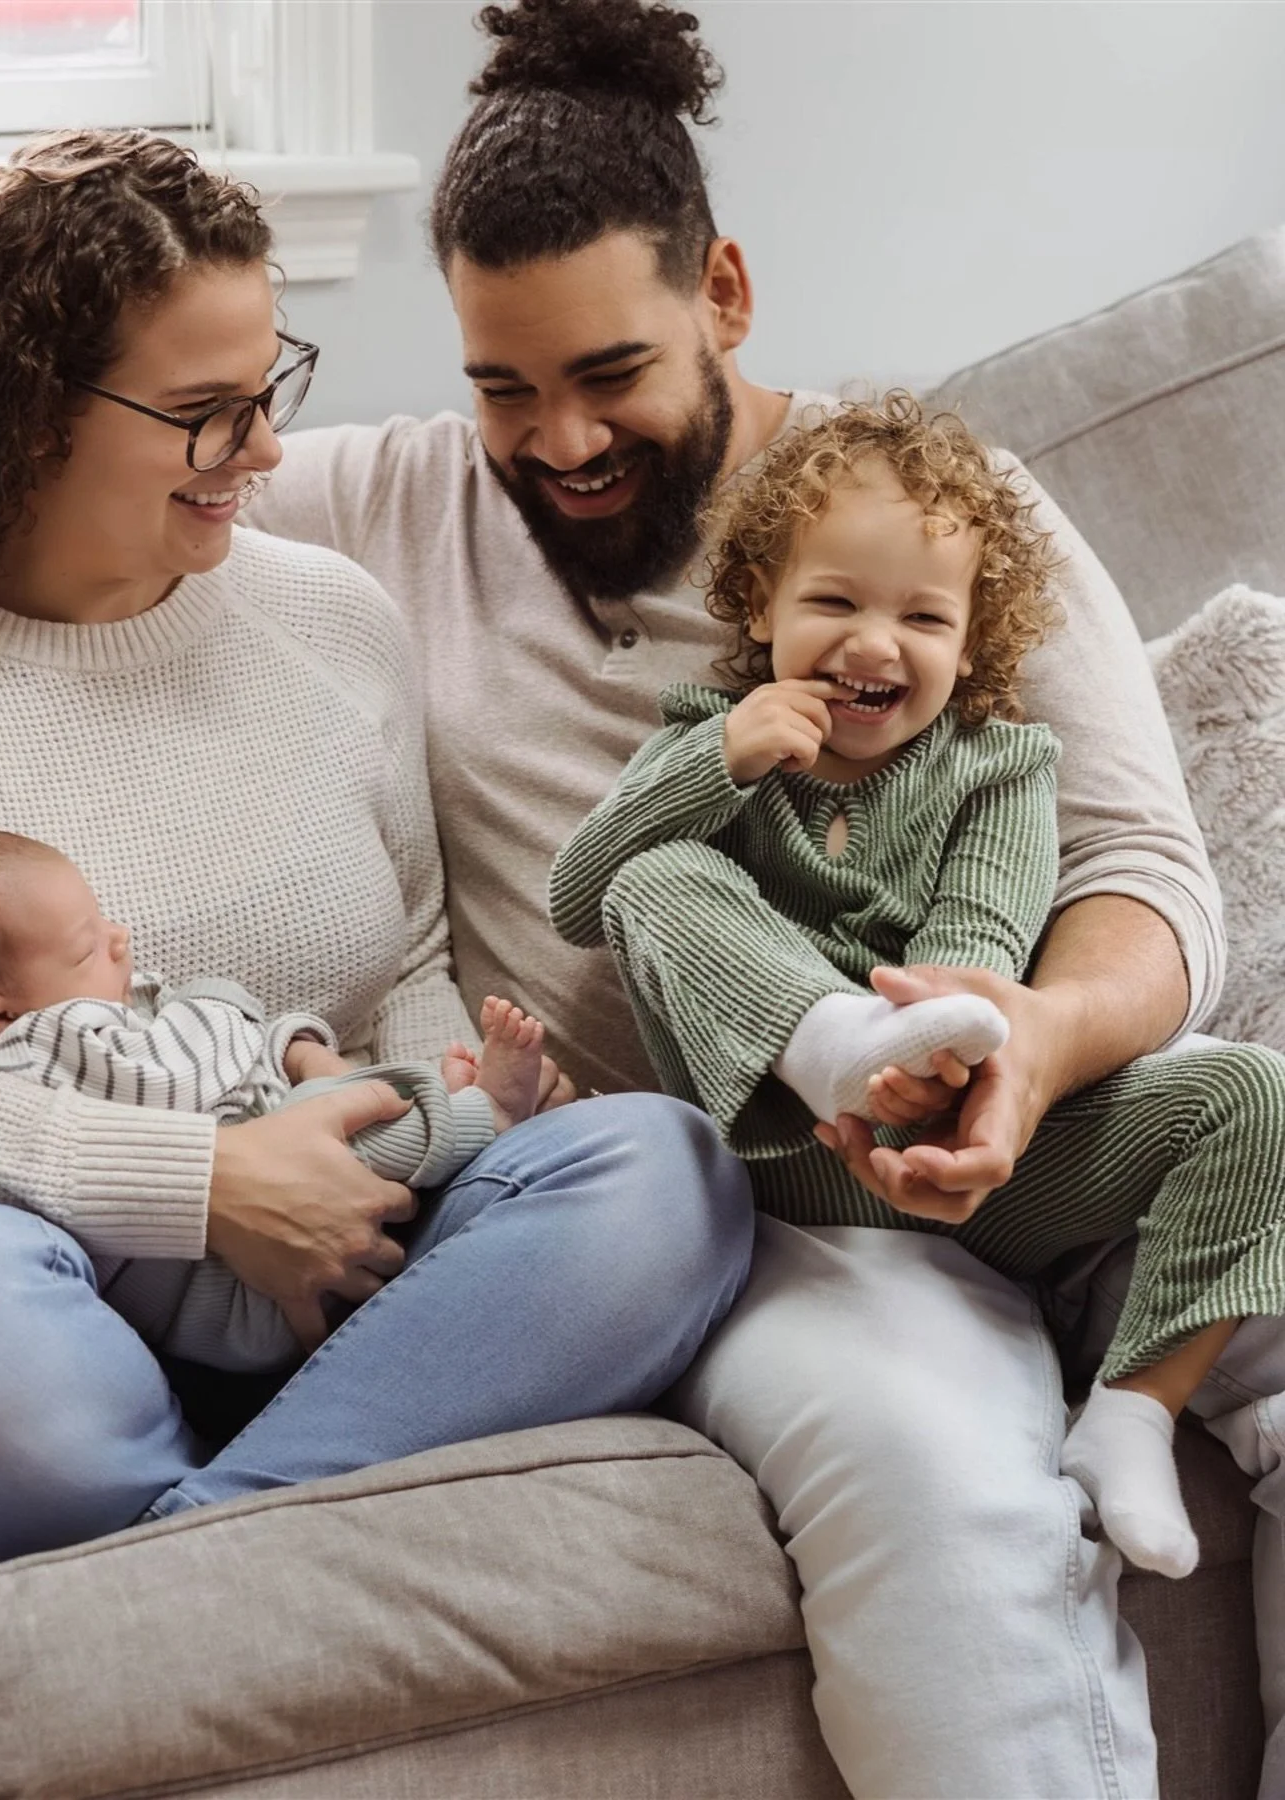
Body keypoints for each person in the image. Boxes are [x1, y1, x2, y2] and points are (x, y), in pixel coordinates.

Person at [246, 1, 1285, 1792]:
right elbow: (95, 480)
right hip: (763, 1193)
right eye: (505, 383)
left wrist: (1032, 1038)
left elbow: (1138, 872)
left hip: (1031, 1107)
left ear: (724, 291)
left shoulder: (947, 517)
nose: (558, 440)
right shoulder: (392, 508)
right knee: (937, 1475)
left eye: (611, 374)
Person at [0, 126, 754, 1592]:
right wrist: (202, 1186)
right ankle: (273, 1527)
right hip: (50, 1320)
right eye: (209, 411)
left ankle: (181, 1559)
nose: (265, 452)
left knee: (664, 1170)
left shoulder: (330, 621)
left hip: (356, 1291)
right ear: (23, 414)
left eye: (271, 389)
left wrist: (448, 1130)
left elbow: (401, 967)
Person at [552, 392, 1285, 1580]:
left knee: (1253, 1094)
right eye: (834, 603)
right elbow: (580, 897)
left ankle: (1134, 1414)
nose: (874, 645)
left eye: (922, 617)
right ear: (761, 607)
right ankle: (828, 1037)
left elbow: (978, 957)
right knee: (658, 877)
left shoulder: (1003, 765)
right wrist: (716, 761)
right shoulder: (711, 743)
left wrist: (936, 1079)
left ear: (972, 640)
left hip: (970, 1155)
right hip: (789, 1155)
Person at [0, 826, 552, 1374]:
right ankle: (482, 1116)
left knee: (625, 1145)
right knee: (371, 1134)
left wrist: (299, 1051)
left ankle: (462, 1113)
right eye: (86, 947)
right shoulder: (39, 1049)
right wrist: (221, 1000)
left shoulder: (84, 1019)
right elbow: (188, 1075)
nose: (120, 940)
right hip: (237, 1292)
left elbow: (244, 1054)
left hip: (294, 1214)